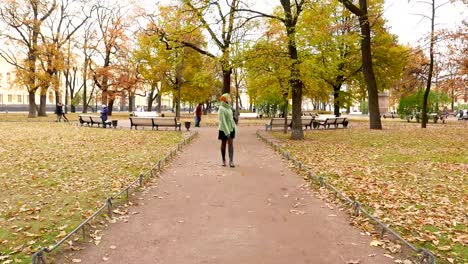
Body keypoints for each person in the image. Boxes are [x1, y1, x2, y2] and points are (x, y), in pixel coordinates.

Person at [218, 94, 236, 168]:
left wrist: (234, 126)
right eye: (229, 98)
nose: (230, 99)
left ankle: (231, 160)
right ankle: (223, 160)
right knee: (224, 144)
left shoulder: (229, 108)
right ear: (225, 99)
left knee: (231, 144)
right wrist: (227, 132)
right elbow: (223, 121)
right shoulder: (221, 108)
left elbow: (231, 119)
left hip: (231, 128)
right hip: (223, 129)